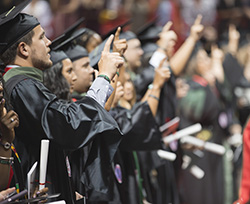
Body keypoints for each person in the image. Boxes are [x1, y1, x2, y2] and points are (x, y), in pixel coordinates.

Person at [0, 1, 124, 203]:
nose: (49, 42)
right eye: (42, 37)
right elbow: (67, 126)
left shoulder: (24, 84)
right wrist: (103, 77)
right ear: (24, 49)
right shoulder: (23, 86)